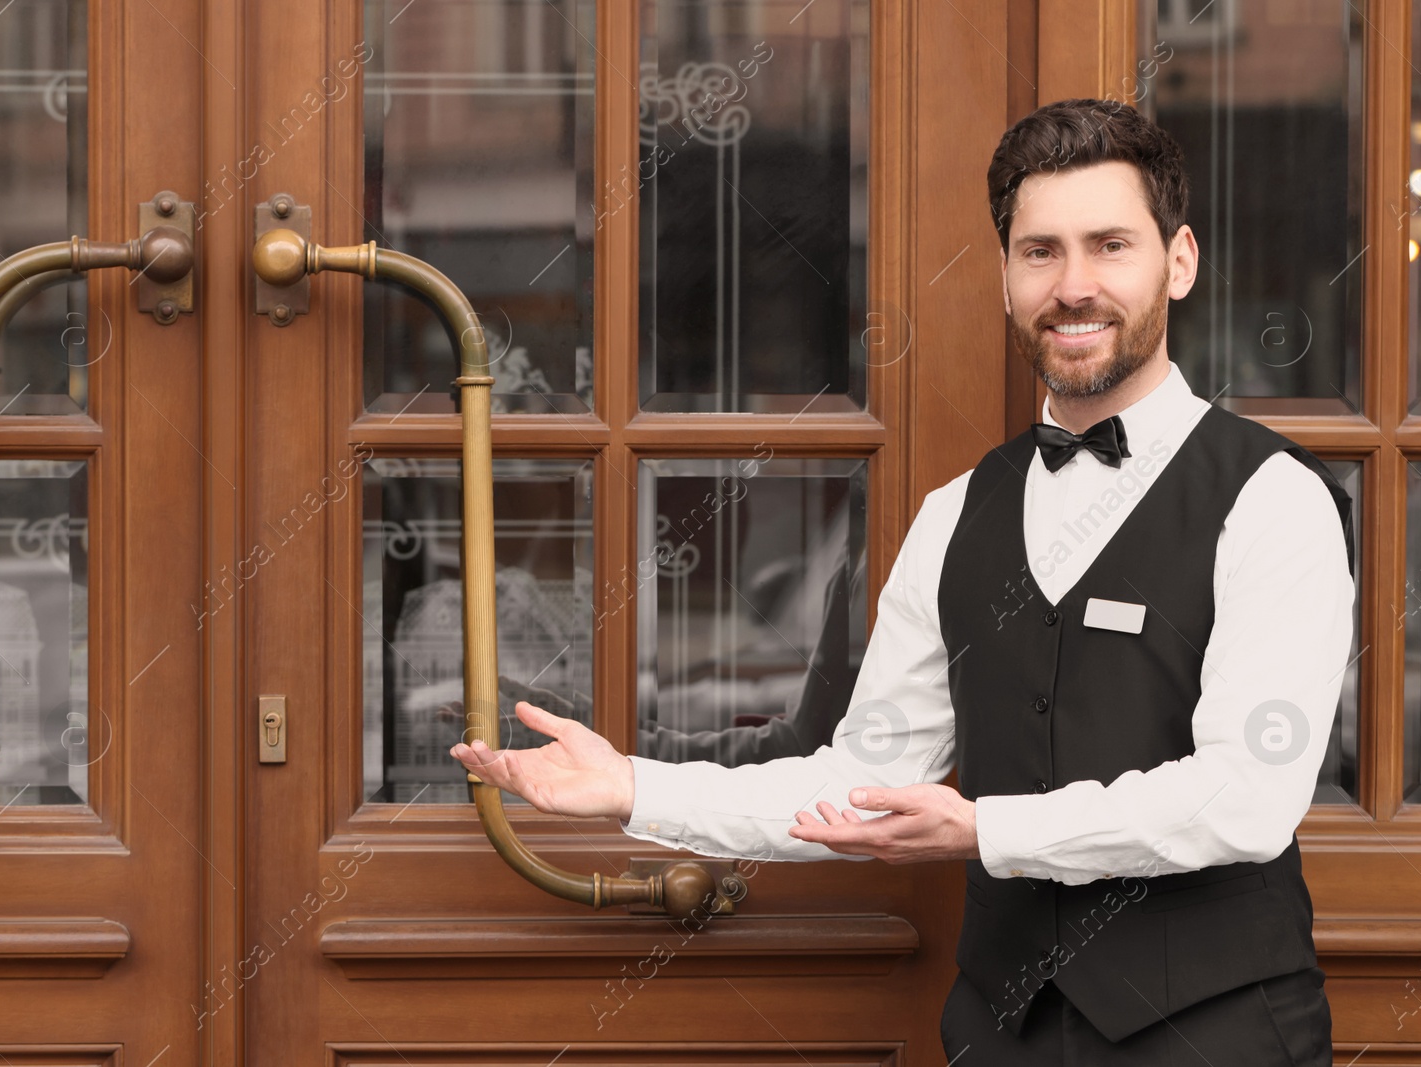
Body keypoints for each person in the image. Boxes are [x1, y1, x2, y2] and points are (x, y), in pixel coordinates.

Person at [452, 97, 1355, 1064]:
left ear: (1178, 262)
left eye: (1110, 245)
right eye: (1039, 251)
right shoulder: (952, 516)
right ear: (1006, 278)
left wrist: (986, 829)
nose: (1074, 285)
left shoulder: (1272, 497)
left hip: (1218, 1034)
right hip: (999, 1033)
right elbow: (861, 779)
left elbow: (1248, 796)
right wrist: (633, 787)